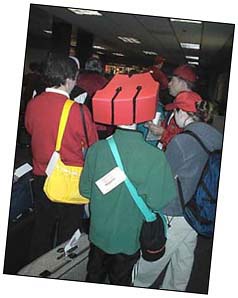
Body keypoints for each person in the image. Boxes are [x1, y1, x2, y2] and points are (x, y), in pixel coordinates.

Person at [79, 72, 176, 286]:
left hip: (98, 233)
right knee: (121, 282)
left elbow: (85, 191)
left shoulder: (97, 149)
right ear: (142, 114)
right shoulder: (155, 157)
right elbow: (159, 202)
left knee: (92, 277)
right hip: (128, 239)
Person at [133, 91, 223, 292]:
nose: (174, 117)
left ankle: (133, 286)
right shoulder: (217, 137)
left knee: (152, 261)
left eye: (176, 112)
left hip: (176, 210)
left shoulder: (182, 141)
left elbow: (163, 178)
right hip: (198, 209)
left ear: (185, 113)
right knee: (183, 258)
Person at [25, 54, 98, 261]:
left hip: (42, 177)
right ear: (68, 79)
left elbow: (31, 130)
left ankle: (34, 270)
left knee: (42, 227)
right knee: (68, 232)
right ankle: (62, 270)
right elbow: (92, 144)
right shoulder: (79, 111)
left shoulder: (33, 104)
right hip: (70, 180)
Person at [147, 64, 198, 150]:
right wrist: (159, 126)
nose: (169, 84)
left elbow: (186, 145)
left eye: (172, 81)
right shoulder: (178, 103)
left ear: (182, 82)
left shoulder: (189, 108)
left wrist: (163, 134)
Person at [76, 55, 114, 139]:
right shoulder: (106, 84)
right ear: (101, 69)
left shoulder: (78, 81)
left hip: (79, 123)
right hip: (100, 126)